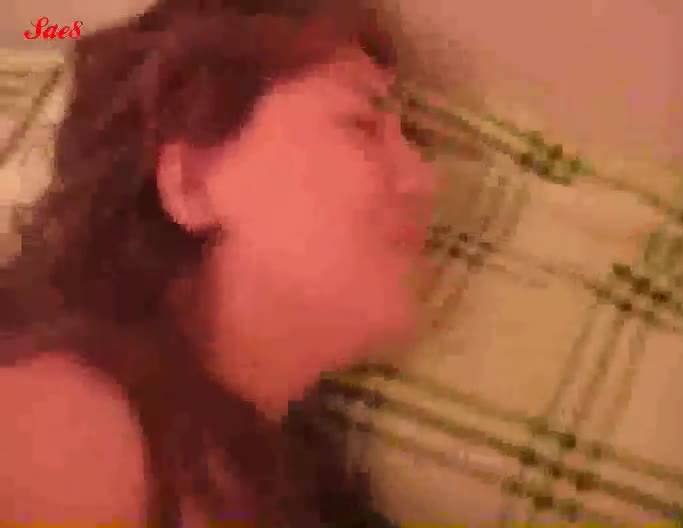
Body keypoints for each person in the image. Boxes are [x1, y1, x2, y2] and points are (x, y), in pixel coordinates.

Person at [0, 0, 435, 526]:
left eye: (411, 140)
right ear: (190, 183)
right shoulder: (71, 422)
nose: (425, 179)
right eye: (362, 124)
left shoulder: (310, 490)